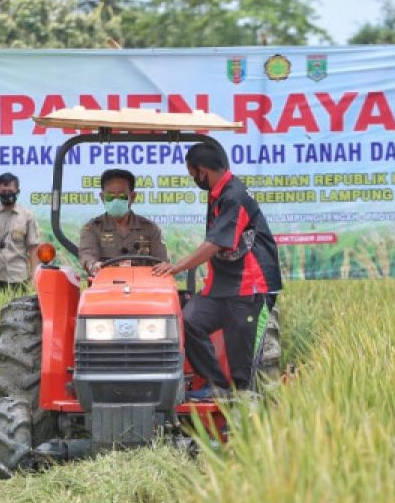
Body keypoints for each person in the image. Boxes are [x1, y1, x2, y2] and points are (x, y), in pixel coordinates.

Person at [152, 142, 282, 395]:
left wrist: (176, 267)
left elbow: (216, 243)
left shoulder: (235, 196)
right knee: (188, 321)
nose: (194, 180)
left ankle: (243, 410)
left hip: (249, 287)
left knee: (241, 357)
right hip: (222, 285)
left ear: (201, 170)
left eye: (192, 174)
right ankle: (218, 386)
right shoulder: (218, 194)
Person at [78, 168, 168, 275]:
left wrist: (163, 267)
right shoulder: (92, 228)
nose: (115, 201)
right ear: (102, 198)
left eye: (121, 196)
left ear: (133, 197)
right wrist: (93, 265)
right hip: (105, 287)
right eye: (110, 197)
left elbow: (162, 263)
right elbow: (88, 256)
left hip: (142, 287)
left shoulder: (150, 228)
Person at [0, 172, 41, 292]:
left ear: (17, 191)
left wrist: (34, 277)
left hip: (18, 278)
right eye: (3, 192)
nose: (6, 195)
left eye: (10, 191)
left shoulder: (27, 216)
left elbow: (33, 249)